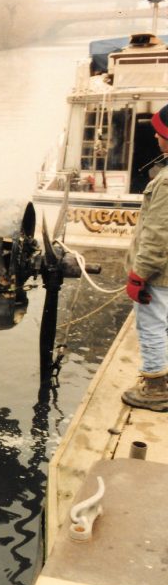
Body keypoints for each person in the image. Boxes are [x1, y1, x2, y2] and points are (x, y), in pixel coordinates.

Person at [122, 103, 168, 412]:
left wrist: (139, 275)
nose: (155, 136)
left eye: (160, 132)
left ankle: (155, 388)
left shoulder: (165, 182)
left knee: (151, 326)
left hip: (160, 275)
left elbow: (158, 235)